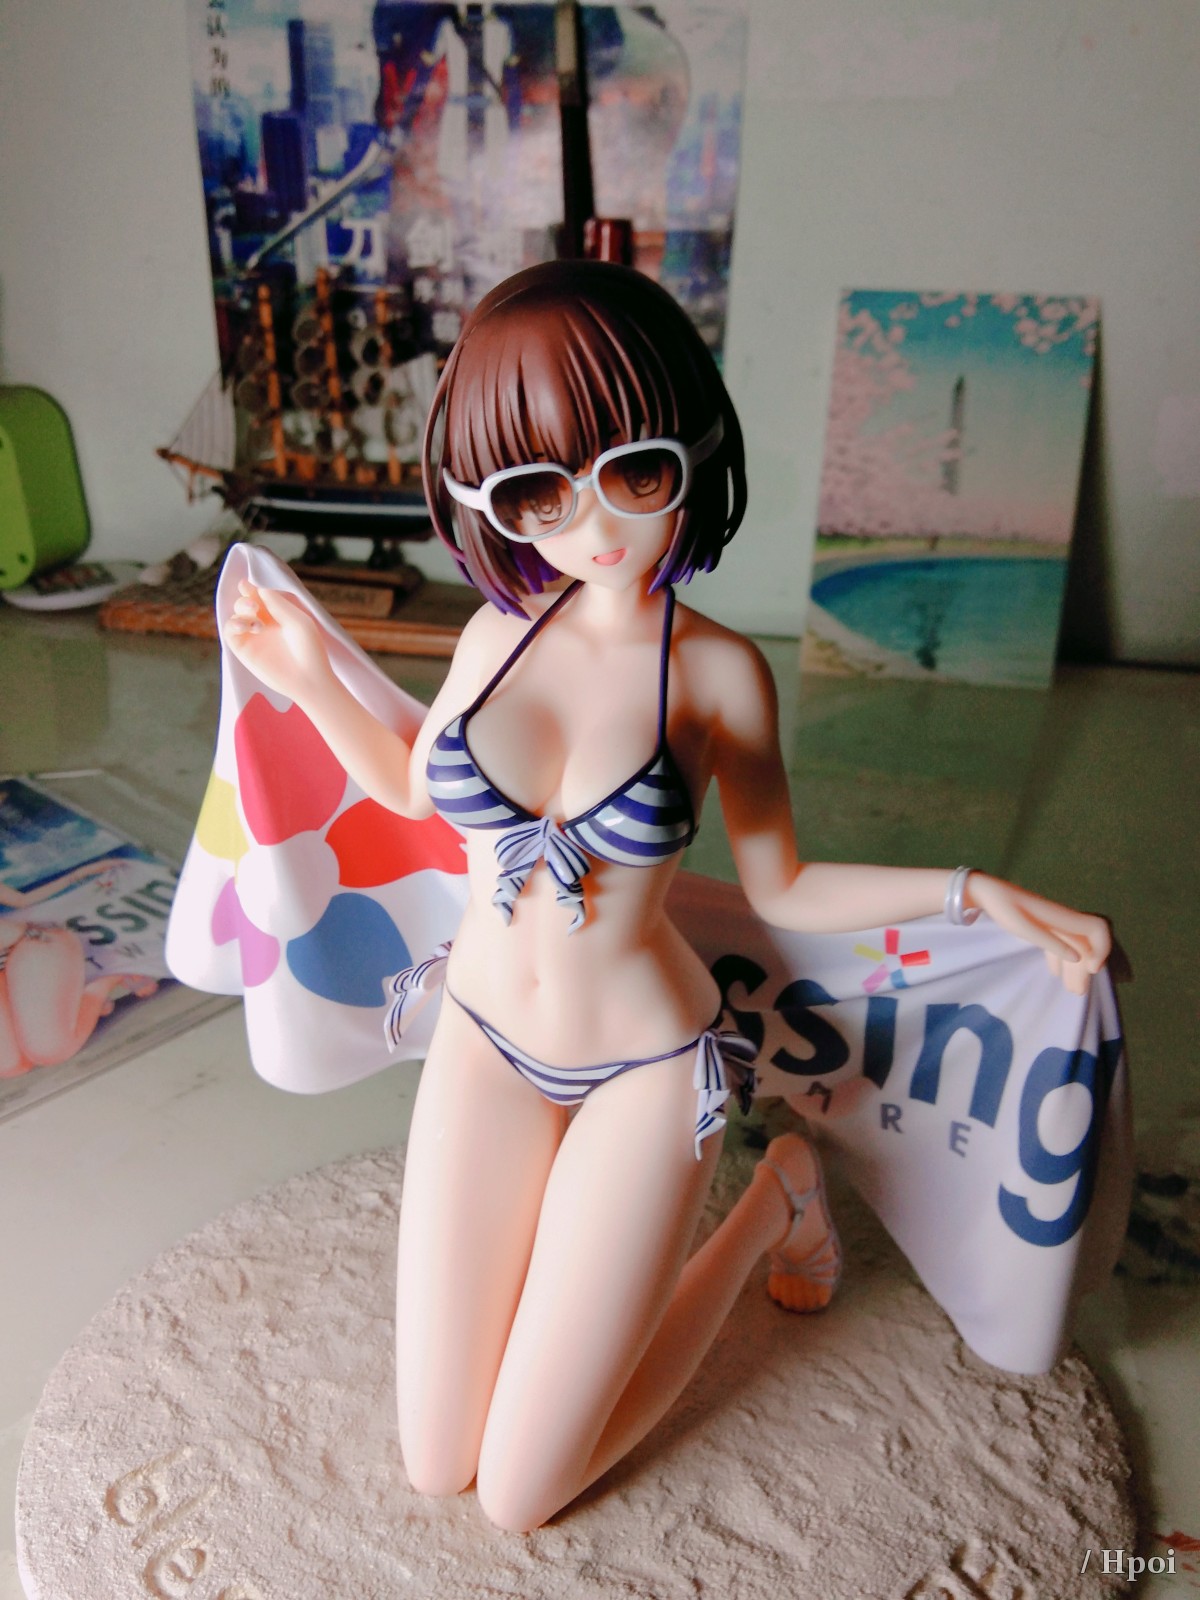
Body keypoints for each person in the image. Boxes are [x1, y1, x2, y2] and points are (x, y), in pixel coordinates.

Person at [223, 261, 1111, 1532]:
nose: (592, 525)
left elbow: (783, 882)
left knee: (521, 1493)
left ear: (691, 448)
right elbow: (414, 788)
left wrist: (977, 893)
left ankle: (772, 1203)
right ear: (489, 501)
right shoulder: (493, 634)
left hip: (646, 1070)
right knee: (434, 1460)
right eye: (538, 490)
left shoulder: (718, 675)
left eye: (632, 472)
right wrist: (311, 674)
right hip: (482, 1037)